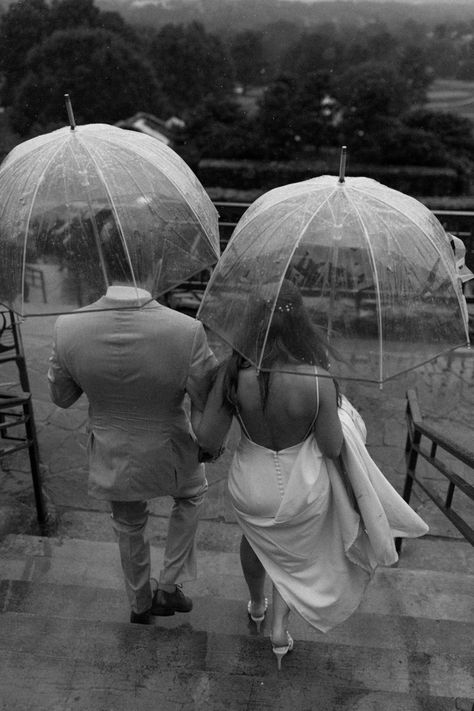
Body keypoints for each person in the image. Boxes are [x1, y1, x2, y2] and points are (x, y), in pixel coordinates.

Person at [193, 278, 428, 669]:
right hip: (303, 487)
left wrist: (196, 401)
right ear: (301, 321)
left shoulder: (234, 372)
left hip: (251, 486)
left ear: (253, 322)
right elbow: (332, 447)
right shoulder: (316, 378)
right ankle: (281, 624)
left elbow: (208, 440)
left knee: (257, 542)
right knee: (297, 552)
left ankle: (256, 604)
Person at [47, 215, 216, 624]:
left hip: (111, 449)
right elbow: (204, 397)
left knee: (127, 521)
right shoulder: (186, 330)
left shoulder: (68, 327)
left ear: (104, 264)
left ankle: (139, 603)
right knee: (191, 494)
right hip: (170, 448)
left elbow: (62, 397)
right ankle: (170, 584)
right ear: (153, 265)